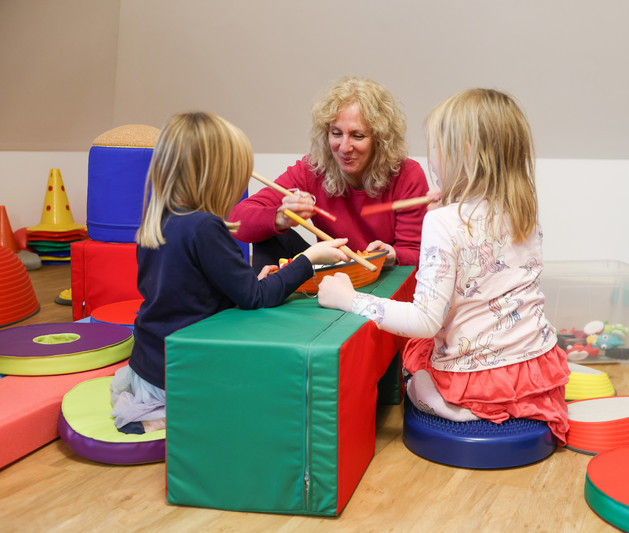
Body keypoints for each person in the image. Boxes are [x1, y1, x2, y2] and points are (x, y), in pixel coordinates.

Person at [317, 89, 570, 444]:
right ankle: (516, 401)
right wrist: (448, 209)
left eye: (435, 147)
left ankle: (458, 408)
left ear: (464, 153)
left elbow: (423, 321)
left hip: (475, 379)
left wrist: (348, 299)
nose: (430, 158)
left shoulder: (441, 224)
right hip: (534, 366)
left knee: (415, 366)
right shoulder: (522, 210)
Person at [109, 111, 348, 434]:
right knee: (269, 390)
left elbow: (188, 292)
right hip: (182, 372)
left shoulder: (161, 219)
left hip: (147, 362)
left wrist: (251, 282)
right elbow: (255, 300)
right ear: (215, 176)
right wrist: (309, 258)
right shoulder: (205, 226)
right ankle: (166, 417)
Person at [229, 77, 430, 272]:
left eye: (357, 135)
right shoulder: (313, 168)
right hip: (331, 271)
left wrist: (393, 254)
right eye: (336, 133)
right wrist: (281, 218)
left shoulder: (407, 174)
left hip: (381, 278)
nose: (344, 147)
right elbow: (237, 221)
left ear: (380, 139)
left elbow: (417, 255)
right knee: (268, 232)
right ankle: (267, 300)